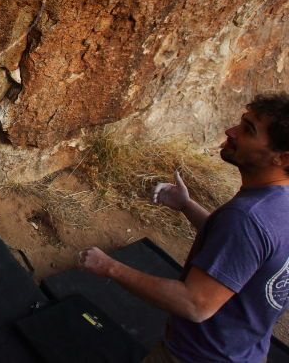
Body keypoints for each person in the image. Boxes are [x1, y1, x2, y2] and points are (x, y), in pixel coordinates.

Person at [78, 93, 289, 362]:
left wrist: (108, 266)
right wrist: (187, 206)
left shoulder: (247, 218)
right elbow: (243, 254)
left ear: (282, 159)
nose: (231, 131)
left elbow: (194, 304)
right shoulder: (278, 203)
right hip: (245, 353)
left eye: (248, 130)